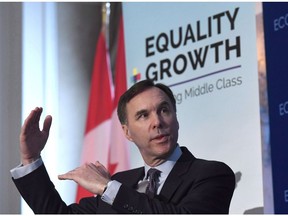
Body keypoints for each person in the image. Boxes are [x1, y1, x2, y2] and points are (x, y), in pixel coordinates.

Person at [11, 79, 235, 214]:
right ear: (127, 132)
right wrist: (31, 159)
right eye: (143, 115)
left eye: (164, 110)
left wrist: (108, 188)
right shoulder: (121, 183)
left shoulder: (212, 174)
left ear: (176, 118)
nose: (157, 121)